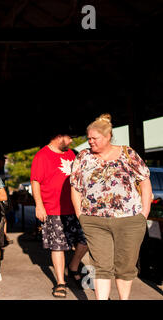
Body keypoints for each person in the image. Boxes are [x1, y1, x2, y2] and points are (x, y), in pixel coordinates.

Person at [70, 114, 153, 300]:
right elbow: (75, 187)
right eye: (88, 138)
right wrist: (80, 214)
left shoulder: (128, 153)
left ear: (107, 137)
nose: (90, 142)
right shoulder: (83, 157)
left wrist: (144, 213)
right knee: (101, 267)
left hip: (129, 220)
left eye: (94, 138)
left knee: (125, 266)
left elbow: (145, 180)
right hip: (94, 221)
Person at [30, 129, 88, 298]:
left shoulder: (71, 154)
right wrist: (39, 205)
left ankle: (73, 266)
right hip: (53, 208)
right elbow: (35, 182)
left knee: (86, 240)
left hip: (75, 207)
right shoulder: (42, 156)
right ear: (59, 136)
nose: (71, 141)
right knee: (58, 246)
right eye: (69, 137)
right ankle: (61, 283)